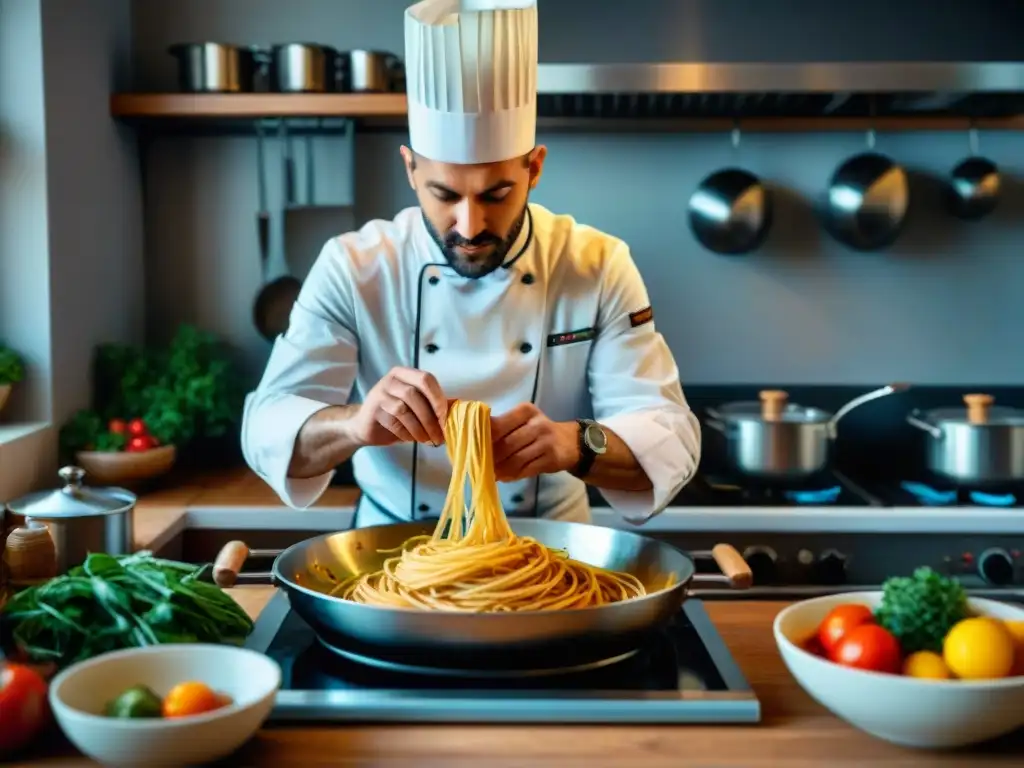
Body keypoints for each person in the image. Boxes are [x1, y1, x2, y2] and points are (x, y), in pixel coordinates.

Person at [241, 0, 701, 528]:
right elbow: (267, 431)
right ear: (411, 170)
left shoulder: (597, 265)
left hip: (551, 549)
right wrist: (355, 425)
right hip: (393, 547)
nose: (469, 224)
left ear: (534, 169)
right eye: (444, 193)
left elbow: (673, 440)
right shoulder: (355, 267)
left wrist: (574, 444)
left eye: (497, 193)